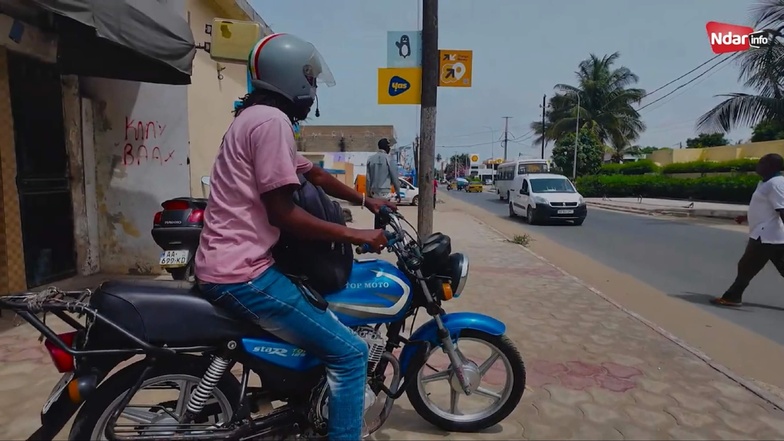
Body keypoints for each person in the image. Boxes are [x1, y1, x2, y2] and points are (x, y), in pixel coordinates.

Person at [194, 33, 396, 441]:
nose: (314, 91)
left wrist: (366, 199)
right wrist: (357, 234)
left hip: (229, 264)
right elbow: (284, 213)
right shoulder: (271, 123)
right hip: (243, 274)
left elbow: (314, 174)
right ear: (295, 78)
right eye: (312, 81)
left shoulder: (254, 118)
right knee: (350, 353)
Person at [712, 153, 784, 307]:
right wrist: (745, 216)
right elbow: (764, 207)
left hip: (766, 235)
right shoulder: (766, 183)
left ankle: (733, 296)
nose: (758, 165)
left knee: (746, 266)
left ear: (771, 166)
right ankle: (733, 296)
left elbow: (782, 209)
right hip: (770, 235)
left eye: (761, 162)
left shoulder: (776, 184)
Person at [366, 138, 402, 228]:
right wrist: (398, 192)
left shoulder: (370, 159)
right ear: (386, 147)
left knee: (377, 215)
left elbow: (368, 178)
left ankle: (377, 235)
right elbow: (394, 177)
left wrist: (368, 193)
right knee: (384, 216)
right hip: (385, 193)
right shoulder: (389, 159)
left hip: (374, 193)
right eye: (389, 147)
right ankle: (383, 236)